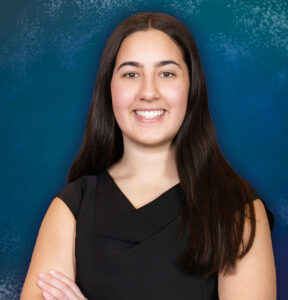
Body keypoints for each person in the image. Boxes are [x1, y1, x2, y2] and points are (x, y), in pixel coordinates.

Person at [20, 12, 276, 300]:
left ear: (191, 87)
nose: (148, 92)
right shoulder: (69, 210)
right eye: (131, 74)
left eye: (166, 73)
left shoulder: (236, 210)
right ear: (109, 89)